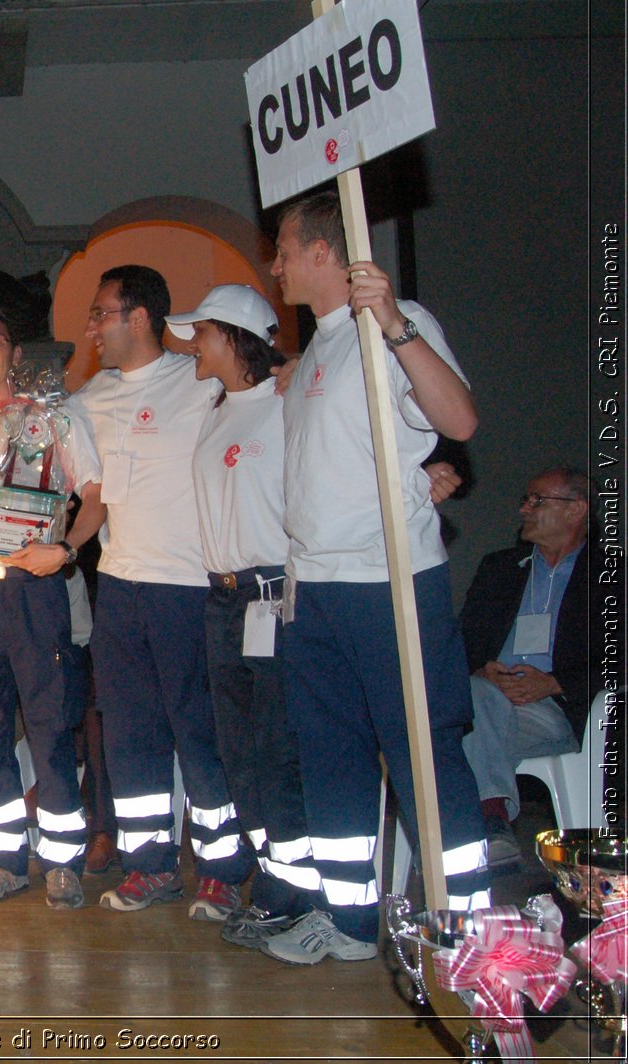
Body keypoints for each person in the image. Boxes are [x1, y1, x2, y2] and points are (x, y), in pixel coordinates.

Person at [264, 187, 489, 965]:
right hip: (314, 592)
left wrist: (393, 326)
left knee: (424, 751)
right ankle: (354, 922)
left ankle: (467, 928)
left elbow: (458, 422)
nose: (277, 264)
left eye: (286, 249)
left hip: (387, 583)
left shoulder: (399, 325)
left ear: (324, 252)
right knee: (331, 759)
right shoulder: (319, 349)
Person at [66, 266, 253, 918]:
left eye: (100, 313)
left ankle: (222, 870)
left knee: (197, 731)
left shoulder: (196, 380)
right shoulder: (88, 398)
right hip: (119, 586)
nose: (91, 327)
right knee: (130, 734)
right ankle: (149, 866)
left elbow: (261, 400)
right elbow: (26, 432)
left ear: (138, 316)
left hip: (188, 586)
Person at [169, 285, 323, 948]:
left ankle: (296, 892)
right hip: (223, 598)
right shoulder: (212, 409)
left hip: (275, 595)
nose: (191, 344)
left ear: (234, 336)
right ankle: (272, 881)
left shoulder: (288, 408)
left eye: (200, 332)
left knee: (275, 747)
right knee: (239, 752)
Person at [0, 314, 104, 909]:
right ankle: (3, 859)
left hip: (33, 586)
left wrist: (65, 550)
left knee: (49, 724)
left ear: (14, 353)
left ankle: (62, 861)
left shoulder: (52, 419)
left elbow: (95, 495)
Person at [460, 467, 601, 865]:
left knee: (454, 733)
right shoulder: (500, 568)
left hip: (554, 709)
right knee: (472, 701)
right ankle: (491, 821)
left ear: (576, 510)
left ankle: (476, 825)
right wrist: (483, 671)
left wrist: (554, 683)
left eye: (537, 500)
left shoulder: (610, 576)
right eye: (525, 499)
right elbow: (460, 643)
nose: (524, 508)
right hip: (485, 699)